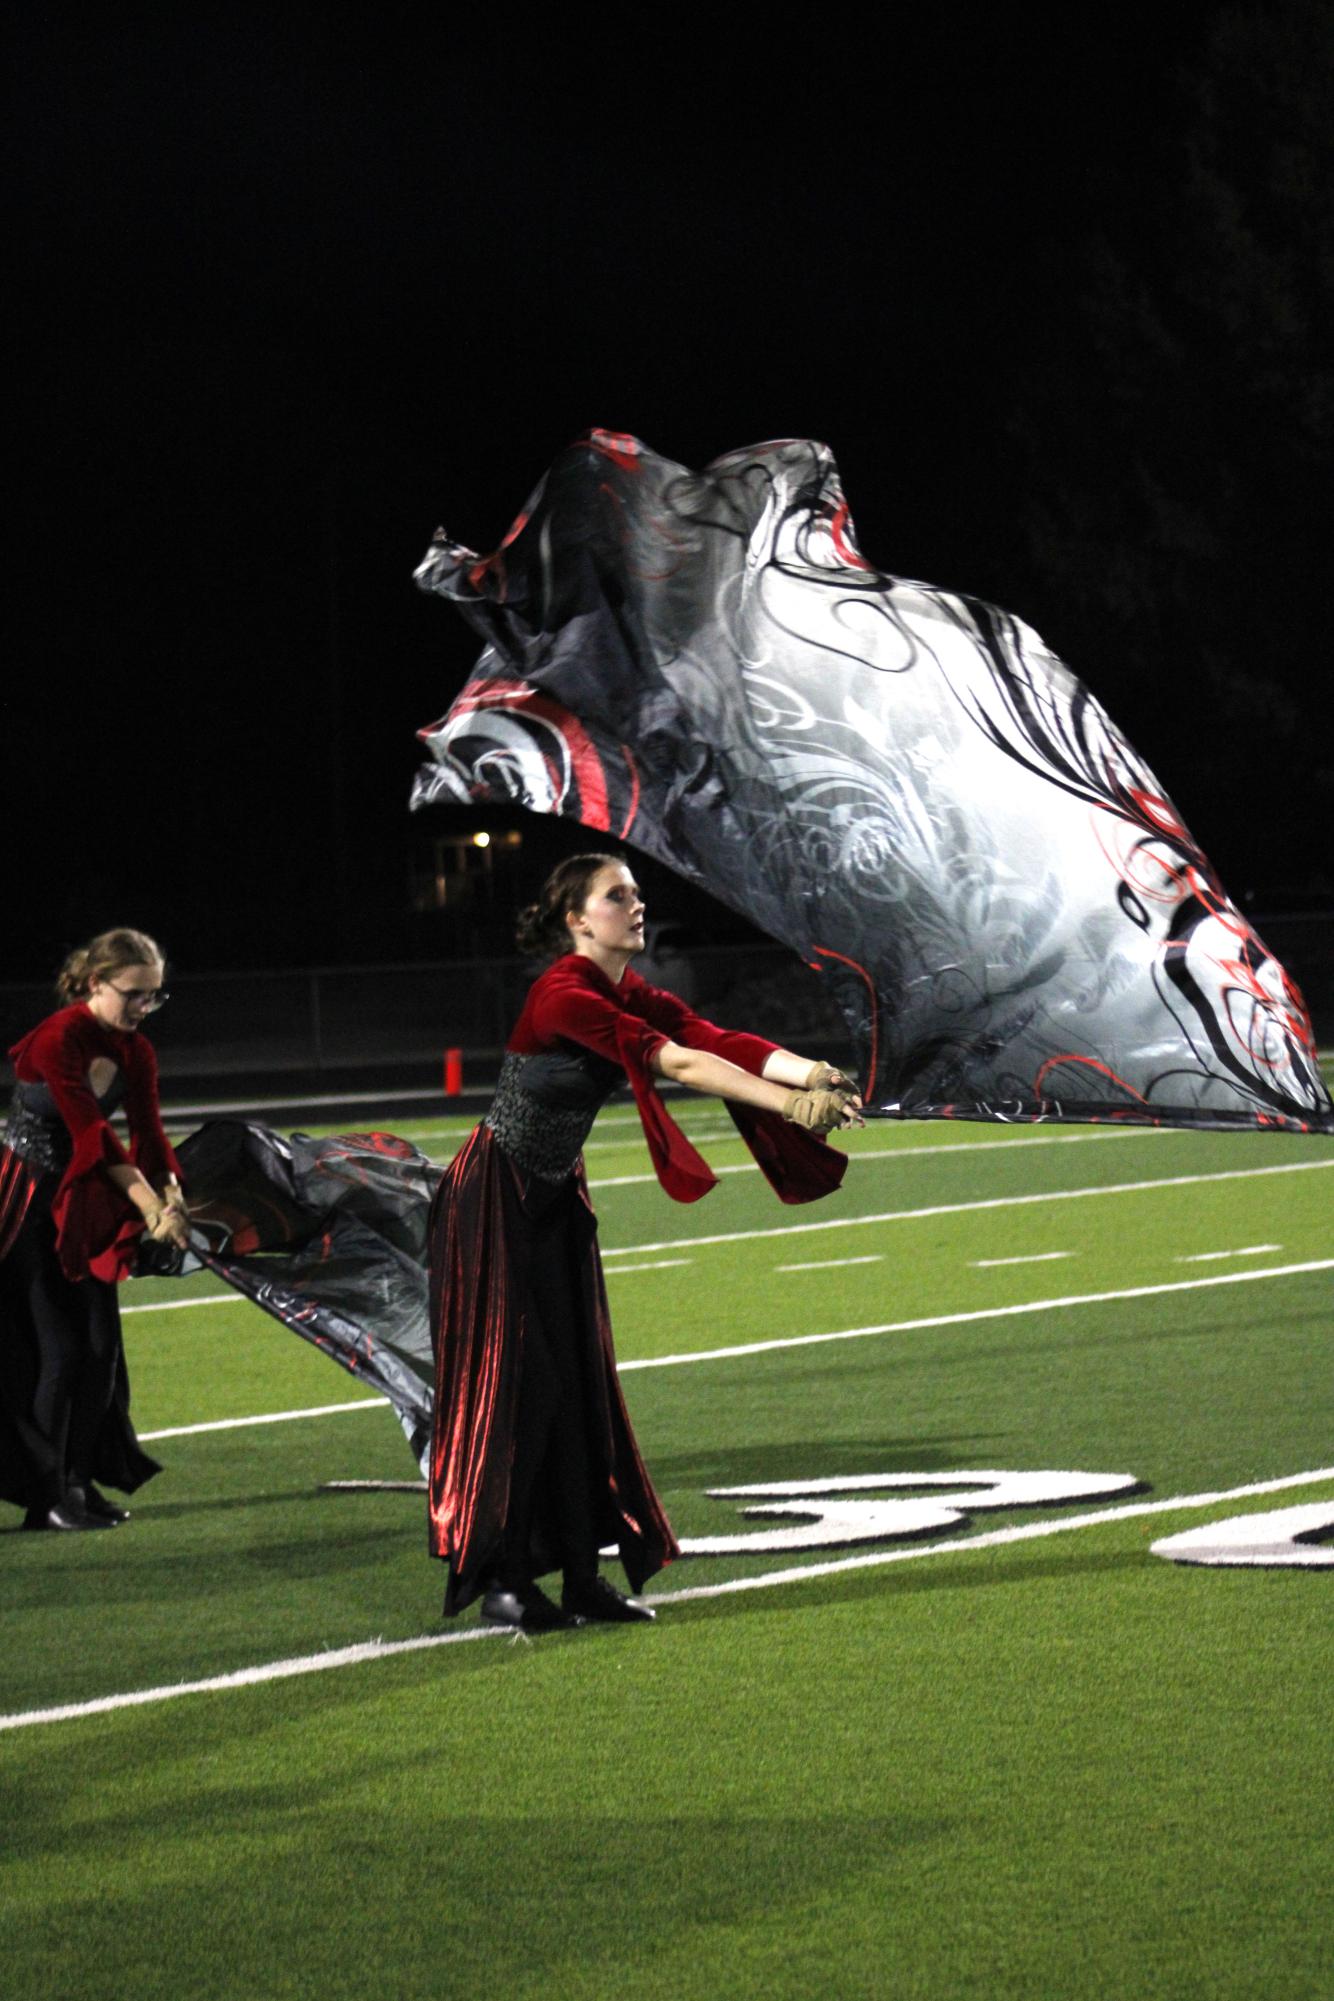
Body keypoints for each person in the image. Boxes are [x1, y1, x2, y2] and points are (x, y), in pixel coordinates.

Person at [428, 854, 862, 1631]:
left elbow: (713, 1034)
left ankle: (583, 1580)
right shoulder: (564, 992)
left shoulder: (626, 989)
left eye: (637, 893)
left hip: (555, 1197)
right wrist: (787, 1107)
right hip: (494, 1203)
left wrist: (814, 1073)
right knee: (529, 1392)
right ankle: (504, 1578)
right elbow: (682, 1062)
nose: (637, 904)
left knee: (583, 1391)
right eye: (616, 895)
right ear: (576, 919)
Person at [0, 928, 190, 1530]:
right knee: (58, 1348)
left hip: (82, 1197)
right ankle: (45, 1495)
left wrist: (175, 1199)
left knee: (102, 1351)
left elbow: (150, 1138)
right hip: (25, 1202)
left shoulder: (138, 1052)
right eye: (134, 994)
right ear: (94, 984)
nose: (143, 1008)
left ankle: (78, 1484)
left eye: (154, 996)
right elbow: (94, 1138)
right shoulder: (60, 1037)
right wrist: (150, 1211)